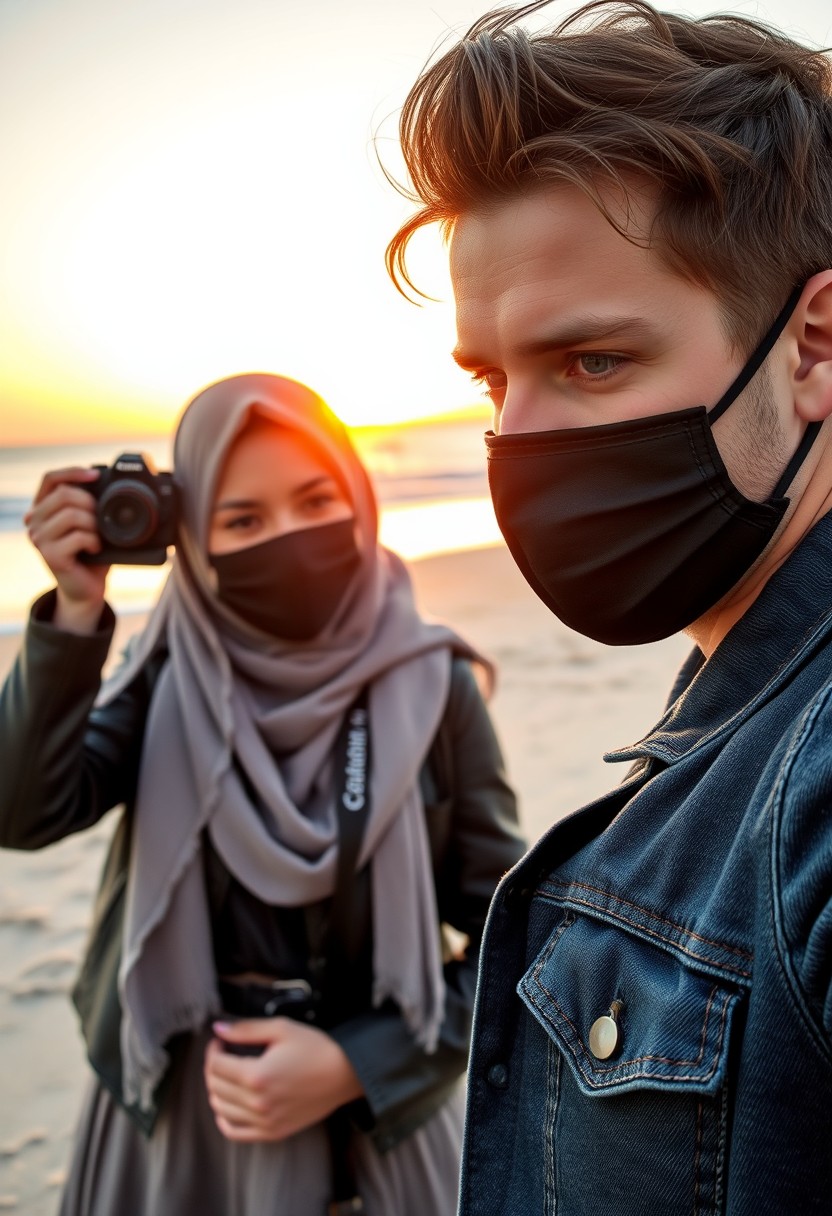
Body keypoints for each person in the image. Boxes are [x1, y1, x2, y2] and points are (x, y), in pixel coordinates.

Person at [385, 0, 832, 1211]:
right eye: (492, 377)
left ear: (812, 345)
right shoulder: (734, 704)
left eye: (591, 363)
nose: (513, 441)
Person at [0, 372, 523, 1215]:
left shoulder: (436, 686)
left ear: (358, 494)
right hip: (170, 1134)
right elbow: (21, 815)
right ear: (192, 541)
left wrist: (357, 1063)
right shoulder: (163, 673)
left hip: (369, 1133)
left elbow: (516, 940)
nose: (290, 537)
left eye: (319, 500)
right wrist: (70, 615)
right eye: (242, 520)